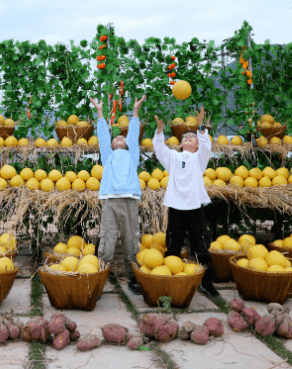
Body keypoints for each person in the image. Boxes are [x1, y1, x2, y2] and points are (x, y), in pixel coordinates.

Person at [152, 107, 219, 297]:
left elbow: (207, 147)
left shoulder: (199, 159)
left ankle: (207, 282)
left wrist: (201, 127)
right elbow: (160, 149)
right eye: (185, 138)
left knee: (200, 246)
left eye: (192, 137)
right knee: (173, 246)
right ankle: (170, 280)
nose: (188, 138)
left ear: (196, 145)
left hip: (195, 208)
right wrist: (159, 133)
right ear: (180, 145)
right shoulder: (173, 158)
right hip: (176, 209)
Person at [90, 94, 146, 295]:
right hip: (111, 202)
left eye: (122, 137)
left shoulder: (132, 156)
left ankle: (133, 278)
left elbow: (133, 134)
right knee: (107, 240)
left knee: (131, 240)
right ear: (112, 145)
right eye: (116, 138)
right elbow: (103, 135)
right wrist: (99, 112)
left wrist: (136, 112)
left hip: (130, 200)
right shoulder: (108, 156)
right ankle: (98, 276)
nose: (119, 138)